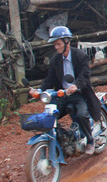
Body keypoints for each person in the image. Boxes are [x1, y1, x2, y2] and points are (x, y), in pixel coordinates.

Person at [38, 26, 101, 154]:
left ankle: (90, 140)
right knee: (50, 117)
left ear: (67, 42)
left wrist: (76, 86)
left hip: (79, 94)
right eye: (55, 45)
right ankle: (61, 140)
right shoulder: (55, 60)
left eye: (58, 44)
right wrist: (39, 91)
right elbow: (50, 79)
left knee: (81, 114)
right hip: (62, 95)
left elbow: (85, 74)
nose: (56, 47)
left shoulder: (80, 56)